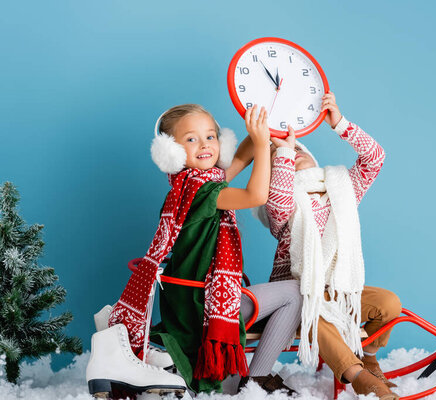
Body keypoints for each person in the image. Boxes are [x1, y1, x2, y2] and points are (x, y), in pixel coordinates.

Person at [88, 104, 301, 396]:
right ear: (171, 151)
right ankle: (258, 378)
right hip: (206, 305)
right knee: (296, 293)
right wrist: (264, 145)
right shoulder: (204, 192)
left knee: (225, 383)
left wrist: (260, 129)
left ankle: (243, 376)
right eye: (191, 139)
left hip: (188, 303)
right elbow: (256, 195)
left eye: (211, 137)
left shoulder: (188, 187)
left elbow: (238, 159)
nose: (204, 145)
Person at [255, 92, 403, 400]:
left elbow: (375, 158)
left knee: (389, 303)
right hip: (300, 296)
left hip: (341, 289)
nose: (292, 153)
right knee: (317, 317)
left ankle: (369, 355)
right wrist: (279, 149)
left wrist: (340, 124)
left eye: (298, 148)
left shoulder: (342, 191)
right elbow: (278, 201)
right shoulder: (282, 210)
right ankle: (359, 378)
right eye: (281, 156)